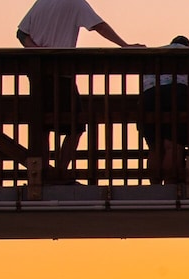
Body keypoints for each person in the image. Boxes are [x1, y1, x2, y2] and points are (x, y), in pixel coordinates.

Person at [16, 0, 141, 182]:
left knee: (42, 126)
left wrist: (35, 50)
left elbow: (21, 33)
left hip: (37, 72)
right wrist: (125, 45)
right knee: (76, 126)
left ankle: (41, 173)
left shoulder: (42, 2)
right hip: (61, 73)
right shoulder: (75, 2)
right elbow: (99, 25)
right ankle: (58, 172)